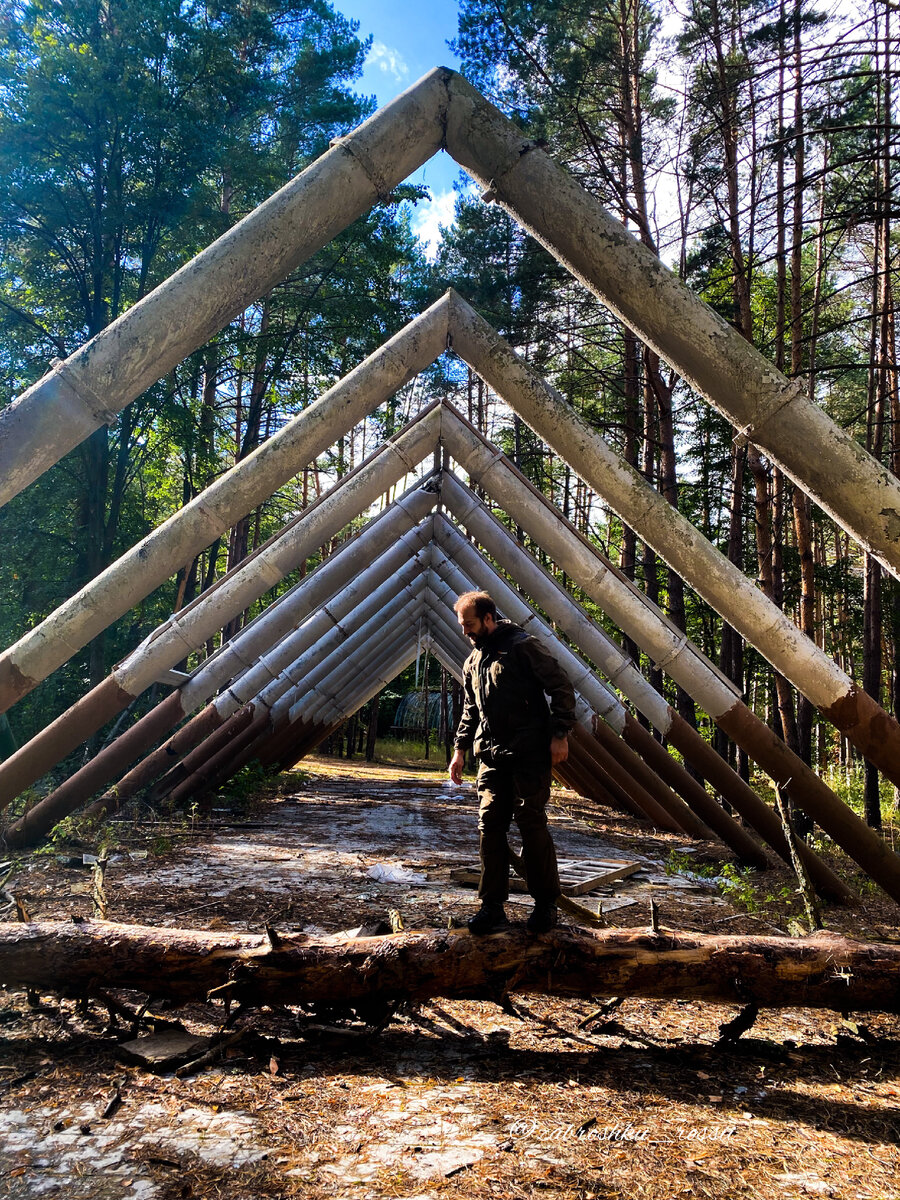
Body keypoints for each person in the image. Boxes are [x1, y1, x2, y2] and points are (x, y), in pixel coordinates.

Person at [448, 590, 576, 935]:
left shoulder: (523, 647)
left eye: (470, 624)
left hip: (528, 754)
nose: (465, 631)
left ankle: (545, 905)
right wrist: (459, 750)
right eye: (462, 625)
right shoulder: (473, 661)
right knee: (489, 825)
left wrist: (560, 733)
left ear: (488, 618)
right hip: (491, 758)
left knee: (530, 823)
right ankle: (492, 907)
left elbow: (561, 686)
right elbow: (471, 710)